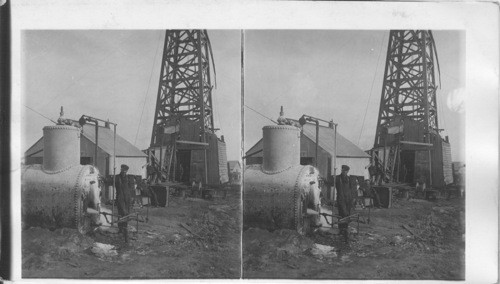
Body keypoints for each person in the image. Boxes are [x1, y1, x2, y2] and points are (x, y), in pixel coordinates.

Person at [335, 165, 355, 242]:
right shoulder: (337, 178)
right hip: (341, 198)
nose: (343, 172)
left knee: (347, 214)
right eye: (342, 170)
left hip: (348, 199)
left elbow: (352, 189)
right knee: (342, 213)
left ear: (347, 171)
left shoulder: (349, 179)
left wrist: (352, 198)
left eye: (345, 171)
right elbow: (330, 182)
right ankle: (341, 229)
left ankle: (345, 229)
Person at [115, 164, 133, 244]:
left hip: (127, 197)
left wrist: (131, 197)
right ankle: (120, 229)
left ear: (126, 171)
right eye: (122, 170)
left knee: (126, 212)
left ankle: (125, 227)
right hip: (120, 197)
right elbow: (109, 181)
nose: (123, 172)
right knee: (121, 212)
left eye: (124, 171)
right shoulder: (117, 177)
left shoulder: (129, 178)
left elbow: (131, 188)